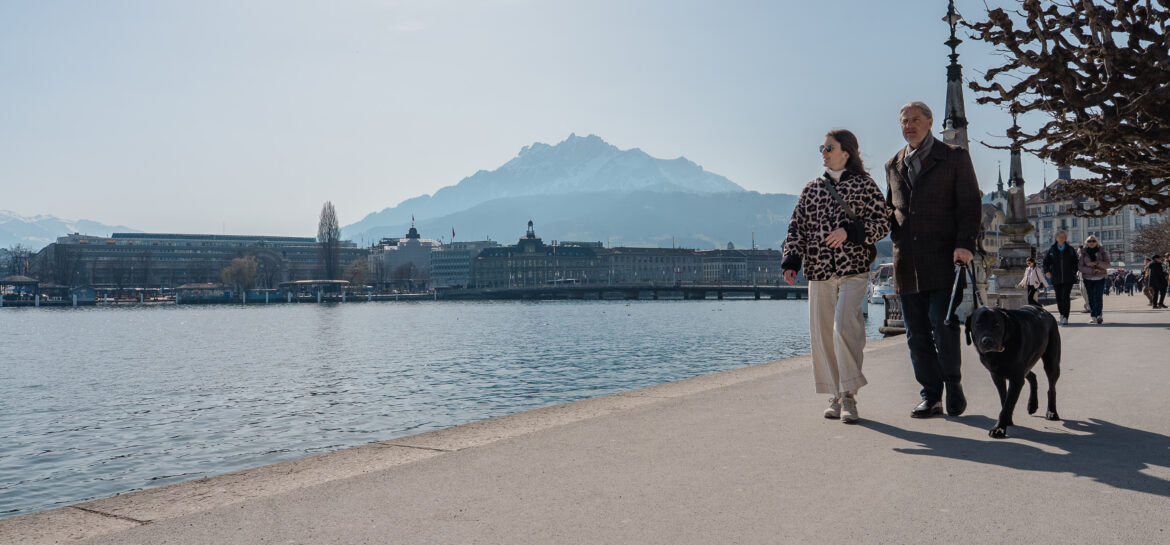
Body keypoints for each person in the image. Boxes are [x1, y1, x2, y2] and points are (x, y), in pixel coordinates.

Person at [782, 129, 890, 424]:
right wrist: (791, 260)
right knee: (822, 335)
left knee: (845, 328)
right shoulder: (811, 189)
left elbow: (883, 222)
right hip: (818, 271)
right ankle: (835, 395)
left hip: (853, 269)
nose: (824, 152)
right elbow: (796, 228)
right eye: (822, 147)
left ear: (847, 152)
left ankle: (850, 396)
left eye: (829, 147)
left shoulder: (865, 185)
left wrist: (850, 232)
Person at [885, 101, 981, 419]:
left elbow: (969, 205)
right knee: (915, 334)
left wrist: (965, 244)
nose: (908, 125)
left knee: (944, 326)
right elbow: (891, 211)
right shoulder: (892, 166)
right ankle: (930, 395)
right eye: (904, 121)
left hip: (944, 259)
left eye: (914, 119)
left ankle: (953, 385)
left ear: (929, 122)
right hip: (907, 263)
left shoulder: (954, 157)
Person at [1043, 231, 1079, 325]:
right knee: (1059, 297)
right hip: (1056, 278)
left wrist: (1073, 272)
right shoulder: (1052, 250)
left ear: (1065, 238)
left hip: (1068, 278)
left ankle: (1065, 317)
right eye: (1060, 237)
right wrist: (1047, 271)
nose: (1061, 239)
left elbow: (1076, 262)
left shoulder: (1070, 249)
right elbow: (1046, 262)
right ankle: (1061, 314)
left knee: (1065, 297)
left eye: (1063, 237)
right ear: (1056, 238)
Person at [1078, 236, 1109, 324]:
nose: (1091, 242)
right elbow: (1080, 267)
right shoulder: (1083, 253)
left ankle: (1099, 315)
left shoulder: (1102, 252)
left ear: (1097, 242)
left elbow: (1107, 265)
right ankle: (1093, 316)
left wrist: (1097, 263)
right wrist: (1092, 269)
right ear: (1086, 242)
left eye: (1093, 241)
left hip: (1100, 277)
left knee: (1098, 296)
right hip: (1088, 278)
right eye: (1089, 241)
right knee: (1091, 297)